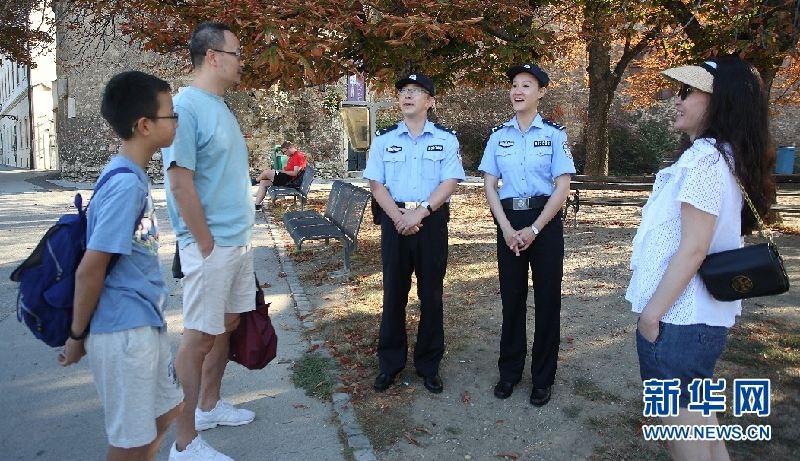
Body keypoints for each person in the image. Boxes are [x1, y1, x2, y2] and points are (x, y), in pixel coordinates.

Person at [627, 57, 776, 460]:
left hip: (680, 320)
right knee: (700, 421)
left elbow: (694, 248)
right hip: (698, 319)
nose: (677, 100)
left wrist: (651, 316)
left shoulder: (705, 160)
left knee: (682, 431)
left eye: (689, 91)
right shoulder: (722, 156)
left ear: (720, 101)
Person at [57, 71, 184, 460]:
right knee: (128, 442)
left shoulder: (129, 175)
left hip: (142, 321)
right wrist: (76, 336)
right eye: (171, 114)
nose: (177, 121)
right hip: (124, 331)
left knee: (168, 407)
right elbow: (91, 268)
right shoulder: (125, 185)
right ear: (144, 125)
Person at [162, 21, 256, 461]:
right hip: (211, 245)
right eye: (237, 53)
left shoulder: (218, 106)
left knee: (227, 324)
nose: (242, 62)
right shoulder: (186, 107)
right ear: (212, 56)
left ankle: (209, 406)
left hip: (236, 242)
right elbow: (180, 183)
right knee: (198, 338)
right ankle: (184, 444)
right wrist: (204, 244)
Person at [478, 64, 575, 406]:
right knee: (512, 298)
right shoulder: (498, 136)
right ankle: (510, 372)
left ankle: (543, 378)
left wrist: (534, 229)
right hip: (508, 221)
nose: (518, 91)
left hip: (544, 222)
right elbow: (489, 184)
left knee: (547, 300)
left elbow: (562, 186)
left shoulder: (554, 135)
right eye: (514, 85)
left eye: (527, 85)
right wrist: (506, 228)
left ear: (541, 92)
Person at [363, 73, 466, 394]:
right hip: (395, 222)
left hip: (430, 222)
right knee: (393, 294)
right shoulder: (384, 139)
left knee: (431, 295)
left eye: (416, 91)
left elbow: (450, 181)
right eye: (403, 91)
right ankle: (390, 364)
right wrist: (399, 217)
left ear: (430, 101)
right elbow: (376, 184)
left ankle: (428, 365)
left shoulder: (446, 139)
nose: (407, 96)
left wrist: (419, 213)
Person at [254, 140, 307, 209]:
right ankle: (257, 205)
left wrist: (283, 171)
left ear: (290, 148)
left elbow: (295, 173)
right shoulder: (293, 156)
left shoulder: (298, 157)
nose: (285, 154)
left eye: (285, 151)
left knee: (266, 172)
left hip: (289, 180)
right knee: (263, 182)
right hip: (286, 177)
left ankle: (255, 181)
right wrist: (282, 171)